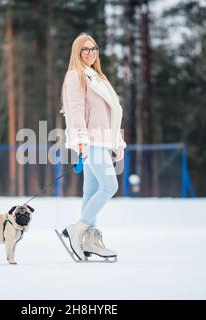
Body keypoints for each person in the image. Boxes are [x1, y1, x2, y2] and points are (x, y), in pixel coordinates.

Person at [60, 33, 127, 260]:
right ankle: (78, 229)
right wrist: (80, 140)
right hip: (91, 141)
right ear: (77, 53)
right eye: (85, 49)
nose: (90, 53)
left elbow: (113, 113)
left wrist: (117, 142)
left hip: (103, 141)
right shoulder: (76, 76)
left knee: (90, 192)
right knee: (110, 186)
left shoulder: (99, 77)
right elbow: (76, 111)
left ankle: (89, 241)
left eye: (93, 49)